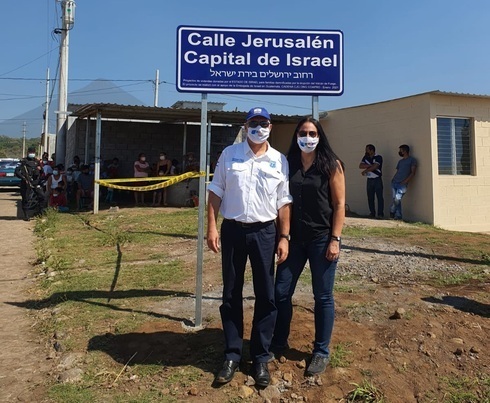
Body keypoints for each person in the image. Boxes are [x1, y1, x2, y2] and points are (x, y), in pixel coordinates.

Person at [207, 107, 292, 387]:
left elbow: (283, 201)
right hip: (233, 230)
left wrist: (284, 237)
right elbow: (216, 190)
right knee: (231, 293)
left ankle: (260, 358)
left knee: (265, 295)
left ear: (271, 126)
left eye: (263, 122)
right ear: (245, 126)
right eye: (253, 123)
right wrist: (211, 226)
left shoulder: (279, 160)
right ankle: (232, 354)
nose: (258, 127)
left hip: (265, 233)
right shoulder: (229, 155)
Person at [272, 117, 345, 377]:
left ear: (320, 136)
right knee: (281, 292)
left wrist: (334, 239)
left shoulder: (331, 165)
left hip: (322, 240)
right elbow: (283, 203)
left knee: (322, 297)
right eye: (303, 132)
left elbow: (338, 205)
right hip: (294, 240)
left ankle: (320, 352)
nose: (307, 137)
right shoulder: (286, 164)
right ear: (296, 136)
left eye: (312, 133)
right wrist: (284, 236)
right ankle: (278, 342)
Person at [15, 146, 44, 220]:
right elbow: (17, 172)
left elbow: (42, 171)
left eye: (33, 153)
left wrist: (40, 169)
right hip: (26, 183)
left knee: (41, 196)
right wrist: (24, 178)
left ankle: (40, 212)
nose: (32, 154)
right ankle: (26, 215)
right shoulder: (23, 161)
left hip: (36, 182)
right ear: (28, 153)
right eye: (31, 152)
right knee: (26, 199)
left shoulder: (37, 161)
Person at [390, 144, 416, 220]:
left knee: (397, 199)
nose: (400, 152)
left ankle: (392, 210)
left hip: (402, 184)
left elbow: (413, 173)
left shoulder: (412, 160)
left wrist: (405, 181)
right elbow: (398, 171)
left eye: (401, 150)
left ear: (405, 151)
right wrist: (393, 179)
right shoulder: (400, 161)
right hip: (394, 182)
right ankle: (398, 216)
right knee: (395, 199)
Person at [359, 144, 384, 219]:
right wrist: (370, 165)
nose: (366, 151)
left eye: (367, 150)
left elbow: (375, 166)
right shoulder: (365, 157)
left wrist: (366, 170)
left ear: (372, 150)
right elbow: (360, 165)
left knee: (379, 197)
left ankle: (380, 214)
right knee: (370, 197)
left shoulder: (378, 157)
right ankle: (372, 213)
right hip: (369, 179)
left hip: (377, 179)